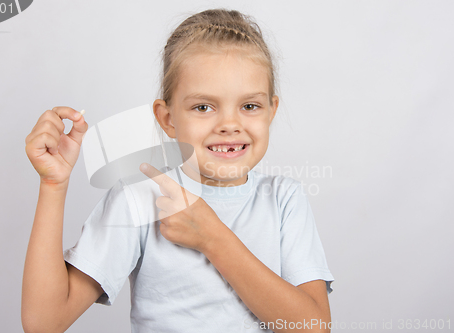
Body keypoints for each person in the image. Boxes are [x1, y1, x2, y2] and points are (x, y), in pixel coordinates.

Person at [22, 8, 334, 333]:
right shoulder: (142, 197)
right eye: (203, 107)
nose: (229, 124)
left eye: (249, 106)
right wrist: (53, 184)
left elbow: (313, 327)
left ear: (271, 111)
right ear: (168, 119)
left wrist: (213, 238)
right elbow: (44, 323)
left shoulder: (284, 200)